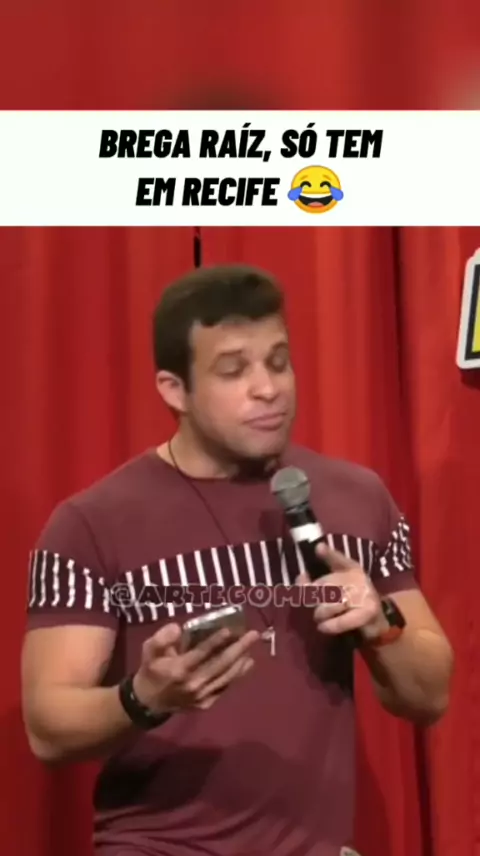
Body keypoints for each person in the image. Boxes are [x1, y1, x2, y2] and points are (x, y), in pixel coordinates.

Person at [22, 264, 453, 856]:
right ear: (174, 390)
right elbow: (47, 727)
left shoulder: (357, 499)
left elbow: (430, 694)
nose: (267, 388)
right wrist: (144, 696)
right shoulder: (90, 524)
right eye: (233, 370)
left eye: (279, 362)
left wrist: (381, 624)